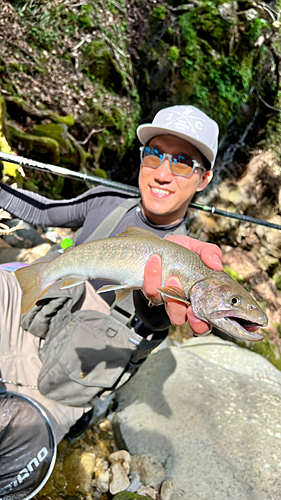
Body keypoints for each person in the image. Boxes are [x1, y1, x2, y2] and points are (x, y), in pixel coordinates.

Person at [0, 104, 221, 497]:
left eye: (183, 163)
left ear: (203, 179)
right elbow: (42, 210)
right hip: (27, 326)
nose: (163, 173)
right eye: (155, 154)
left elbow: (154, 326)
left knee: (18, 446)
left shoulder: (192, 260)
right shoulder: (105, 201)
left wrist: (151, 304)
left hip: (62, 386)